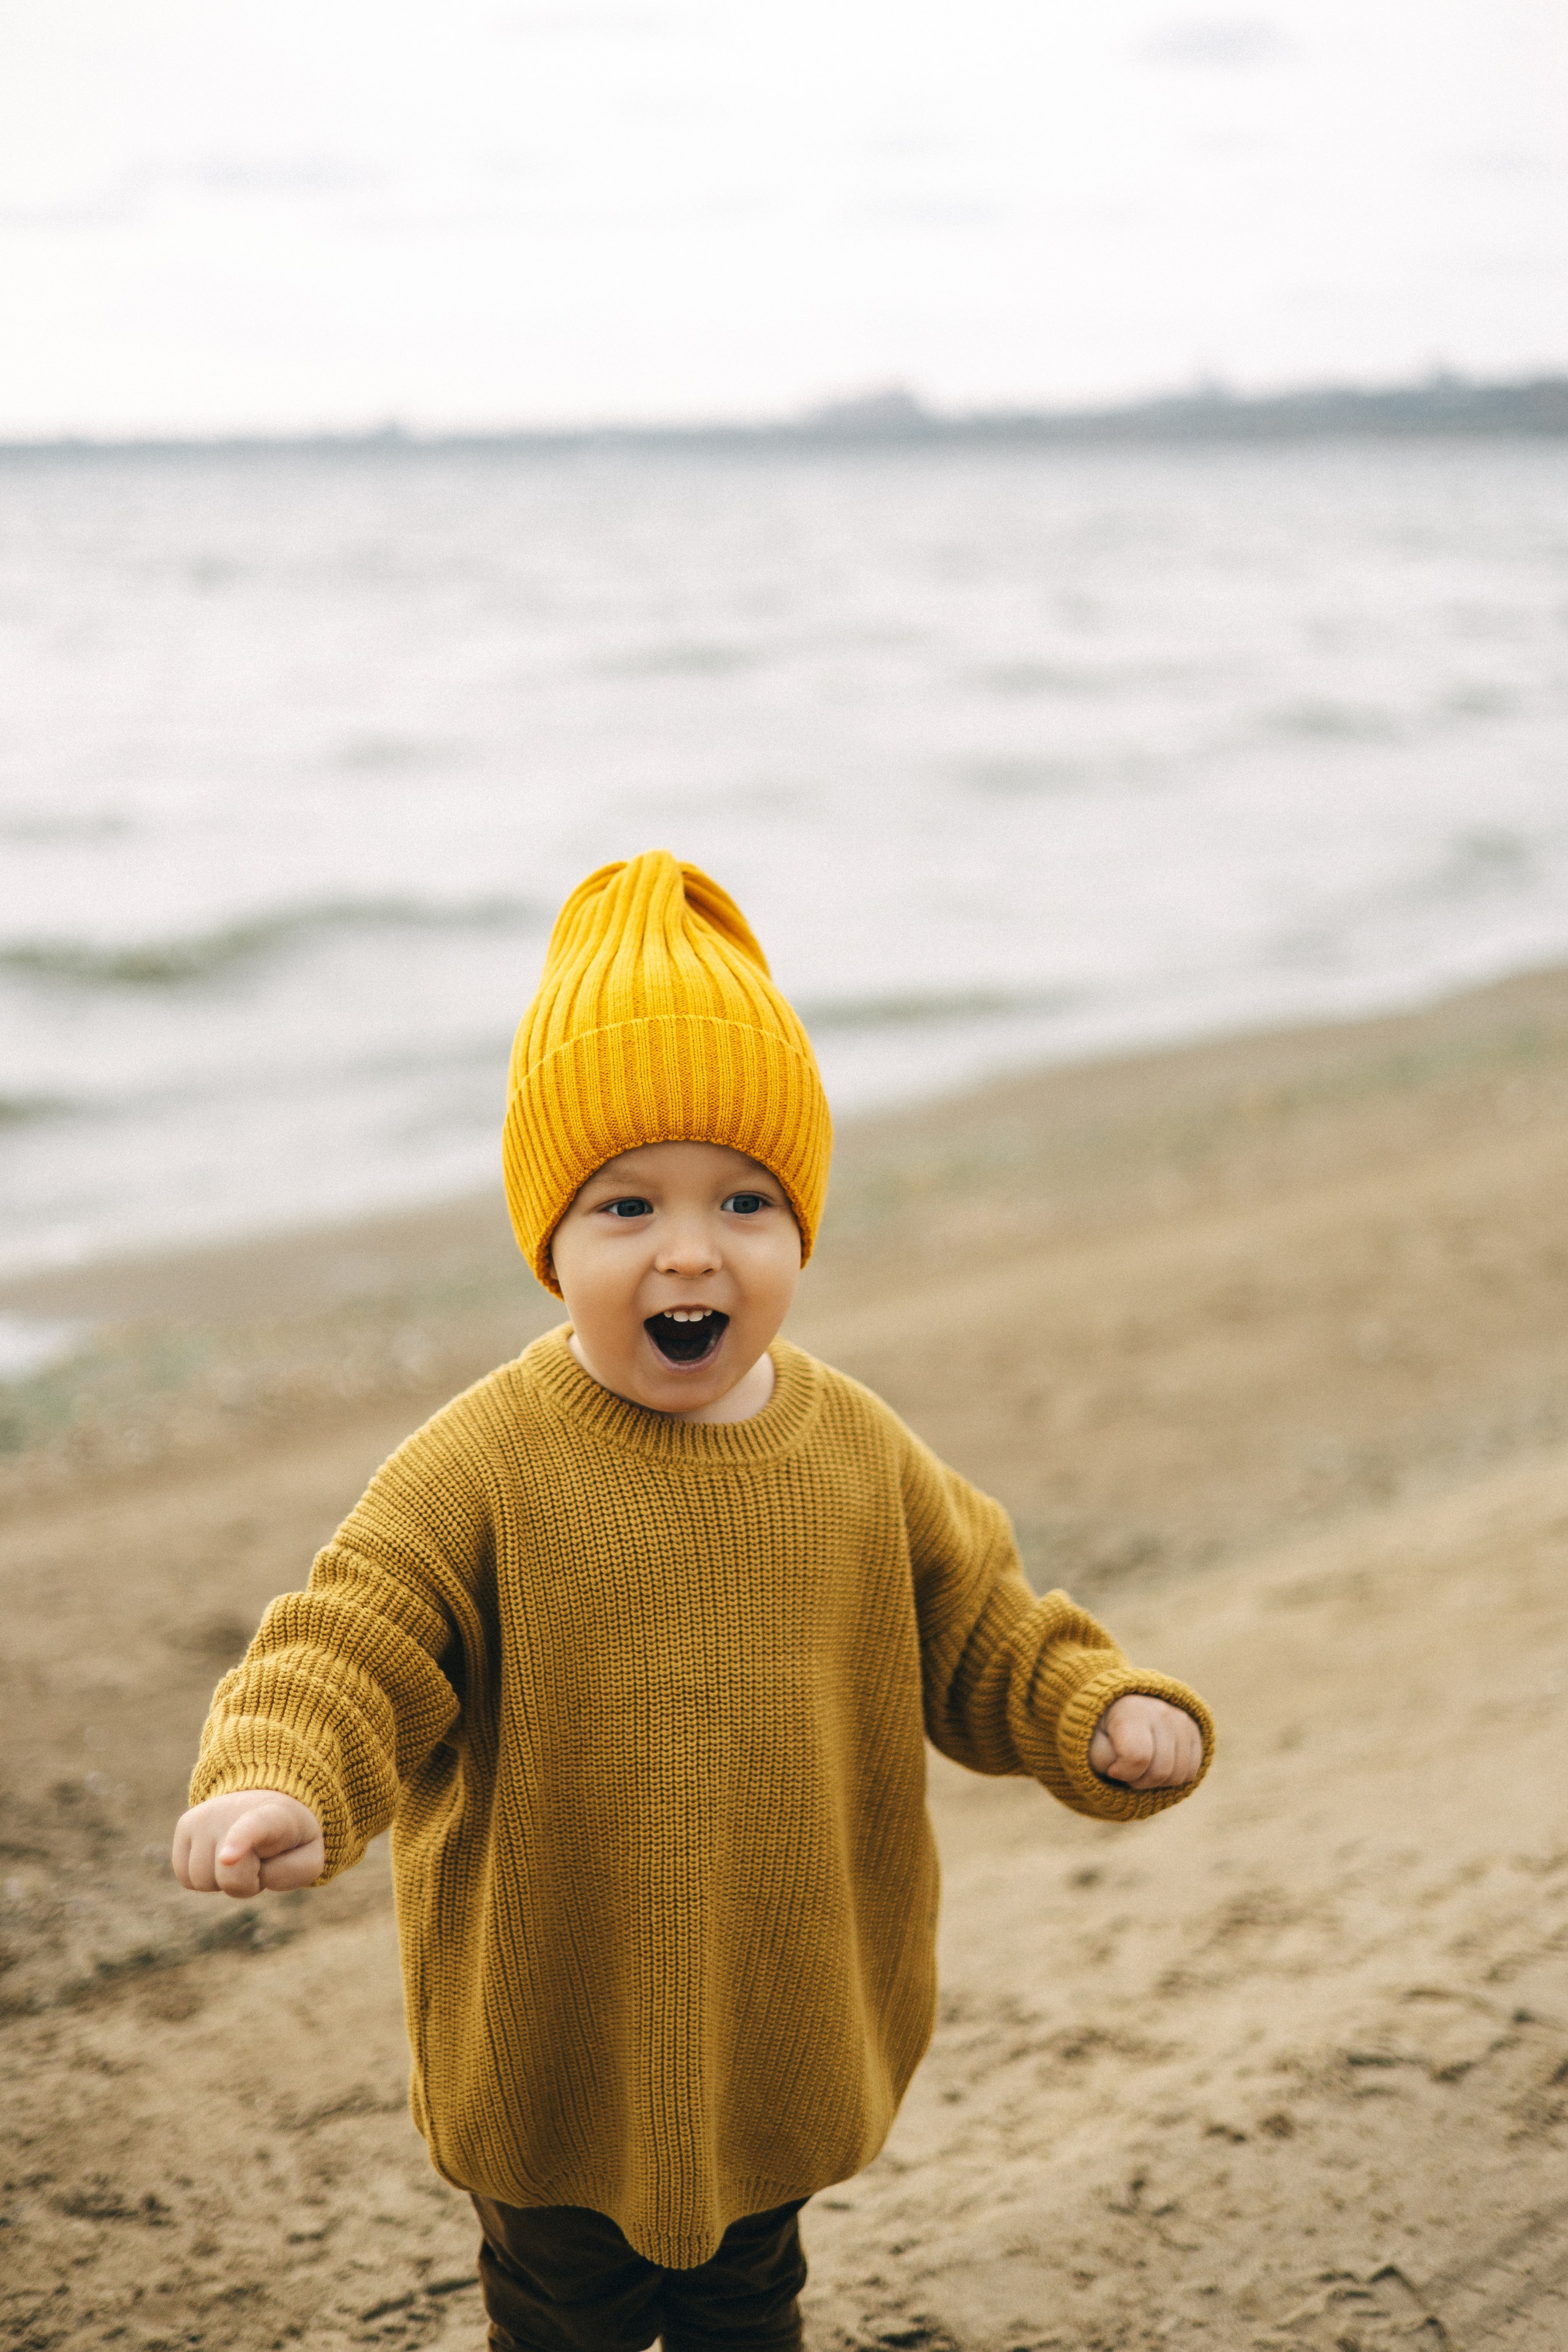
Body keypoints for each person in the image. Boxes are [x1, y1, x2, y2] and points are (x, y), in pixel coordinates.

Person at [173, 850, 1213, 2352]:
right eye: (622, 1206)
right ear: (549, 1241)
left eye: (743, 1198)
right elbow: (353, 1639)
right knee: (562, 2311)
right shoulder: (482, 1463)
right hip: (554, 2038)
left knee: (747, 2297)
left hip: (774, 2024)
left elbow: (983, 1623)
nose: (688, 1248)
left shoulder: (856, 1452)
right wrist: (280, 1776)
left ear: (798, 1230)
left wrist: (1089, 1708)